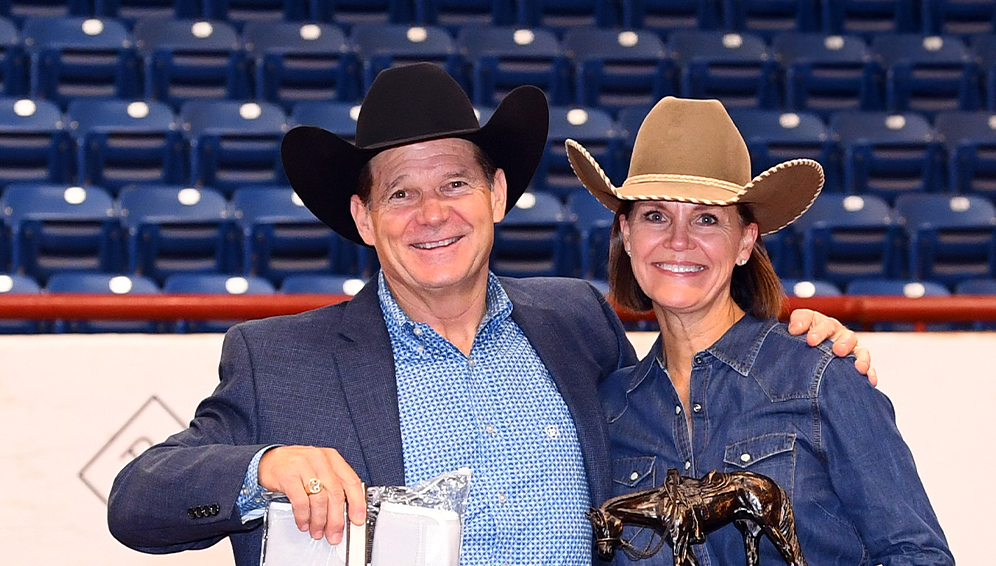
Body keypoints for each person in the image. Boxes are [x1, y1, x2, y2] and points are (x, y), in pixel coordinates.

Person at [107, 64, 869, 566]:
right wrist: (263, 467)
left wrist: (795, 343)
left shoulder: (576, 321)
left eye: (455, 185)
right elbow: (139, 501)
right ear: (364, 218)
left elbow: (687, 397)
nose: (431, 214)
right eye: (400, 192)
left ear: (497, 196)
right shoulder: (278, 359)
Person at [566, 97, 953, 566]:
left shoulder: (820, 378)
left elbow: (917, 555)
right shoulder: (608, 412)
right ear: (627, 236)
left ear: (746, 242)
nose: (679, 240)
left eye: (707, 219)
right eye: (655, 216)